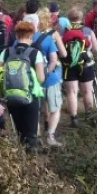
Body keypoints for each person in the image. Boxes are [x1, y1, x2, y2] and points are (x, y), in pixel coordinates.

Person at [0, 22, 46, 152]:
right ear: (31, 35)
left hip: (11, 97)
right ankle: (31, 160)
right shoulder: (35, 53)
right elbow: (41, 78)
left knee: (20, 132)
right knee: (31, 133)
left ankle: (21, 160)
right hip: (31, 97)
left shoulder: (6, 52)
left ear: (16, 36)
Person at [61, 8, 97, 128]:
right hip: (86, 64)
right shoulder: (87, 30)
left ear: (68, 18)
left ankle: (74, 119)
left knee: (72, 92)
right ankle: (89, 115)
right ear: (81, 18)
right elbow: (96, 49)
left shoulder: (64, 31)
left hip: (69, 66)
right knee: (87, 91)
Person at [36, 8, 64, 146]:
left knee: (39, 107)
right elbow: (63, 54)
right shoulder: (53, 34)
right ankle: (50, 135)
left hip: (36, 76)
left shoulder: (31, 37)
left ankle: (37, 136)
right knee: (55, 106)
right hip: (51, 73)